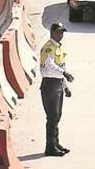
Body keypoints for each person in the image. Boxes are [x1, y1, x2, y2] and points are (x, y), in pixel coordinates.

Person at [39, 22, 74, 157]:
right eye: (58, 32)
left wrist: (65, 86)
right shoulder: (48, 48)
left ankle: (55, 143)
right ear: (52, 32)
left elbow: (61, 67)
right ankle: (50, 147)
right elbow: (50, 65)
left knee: (57, 116)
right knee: (52, 117)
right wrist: (64, 73)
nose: (61, 35)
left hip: (58, 84)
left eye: (62, 32)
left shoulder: (58, 48)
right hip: (50, 85)